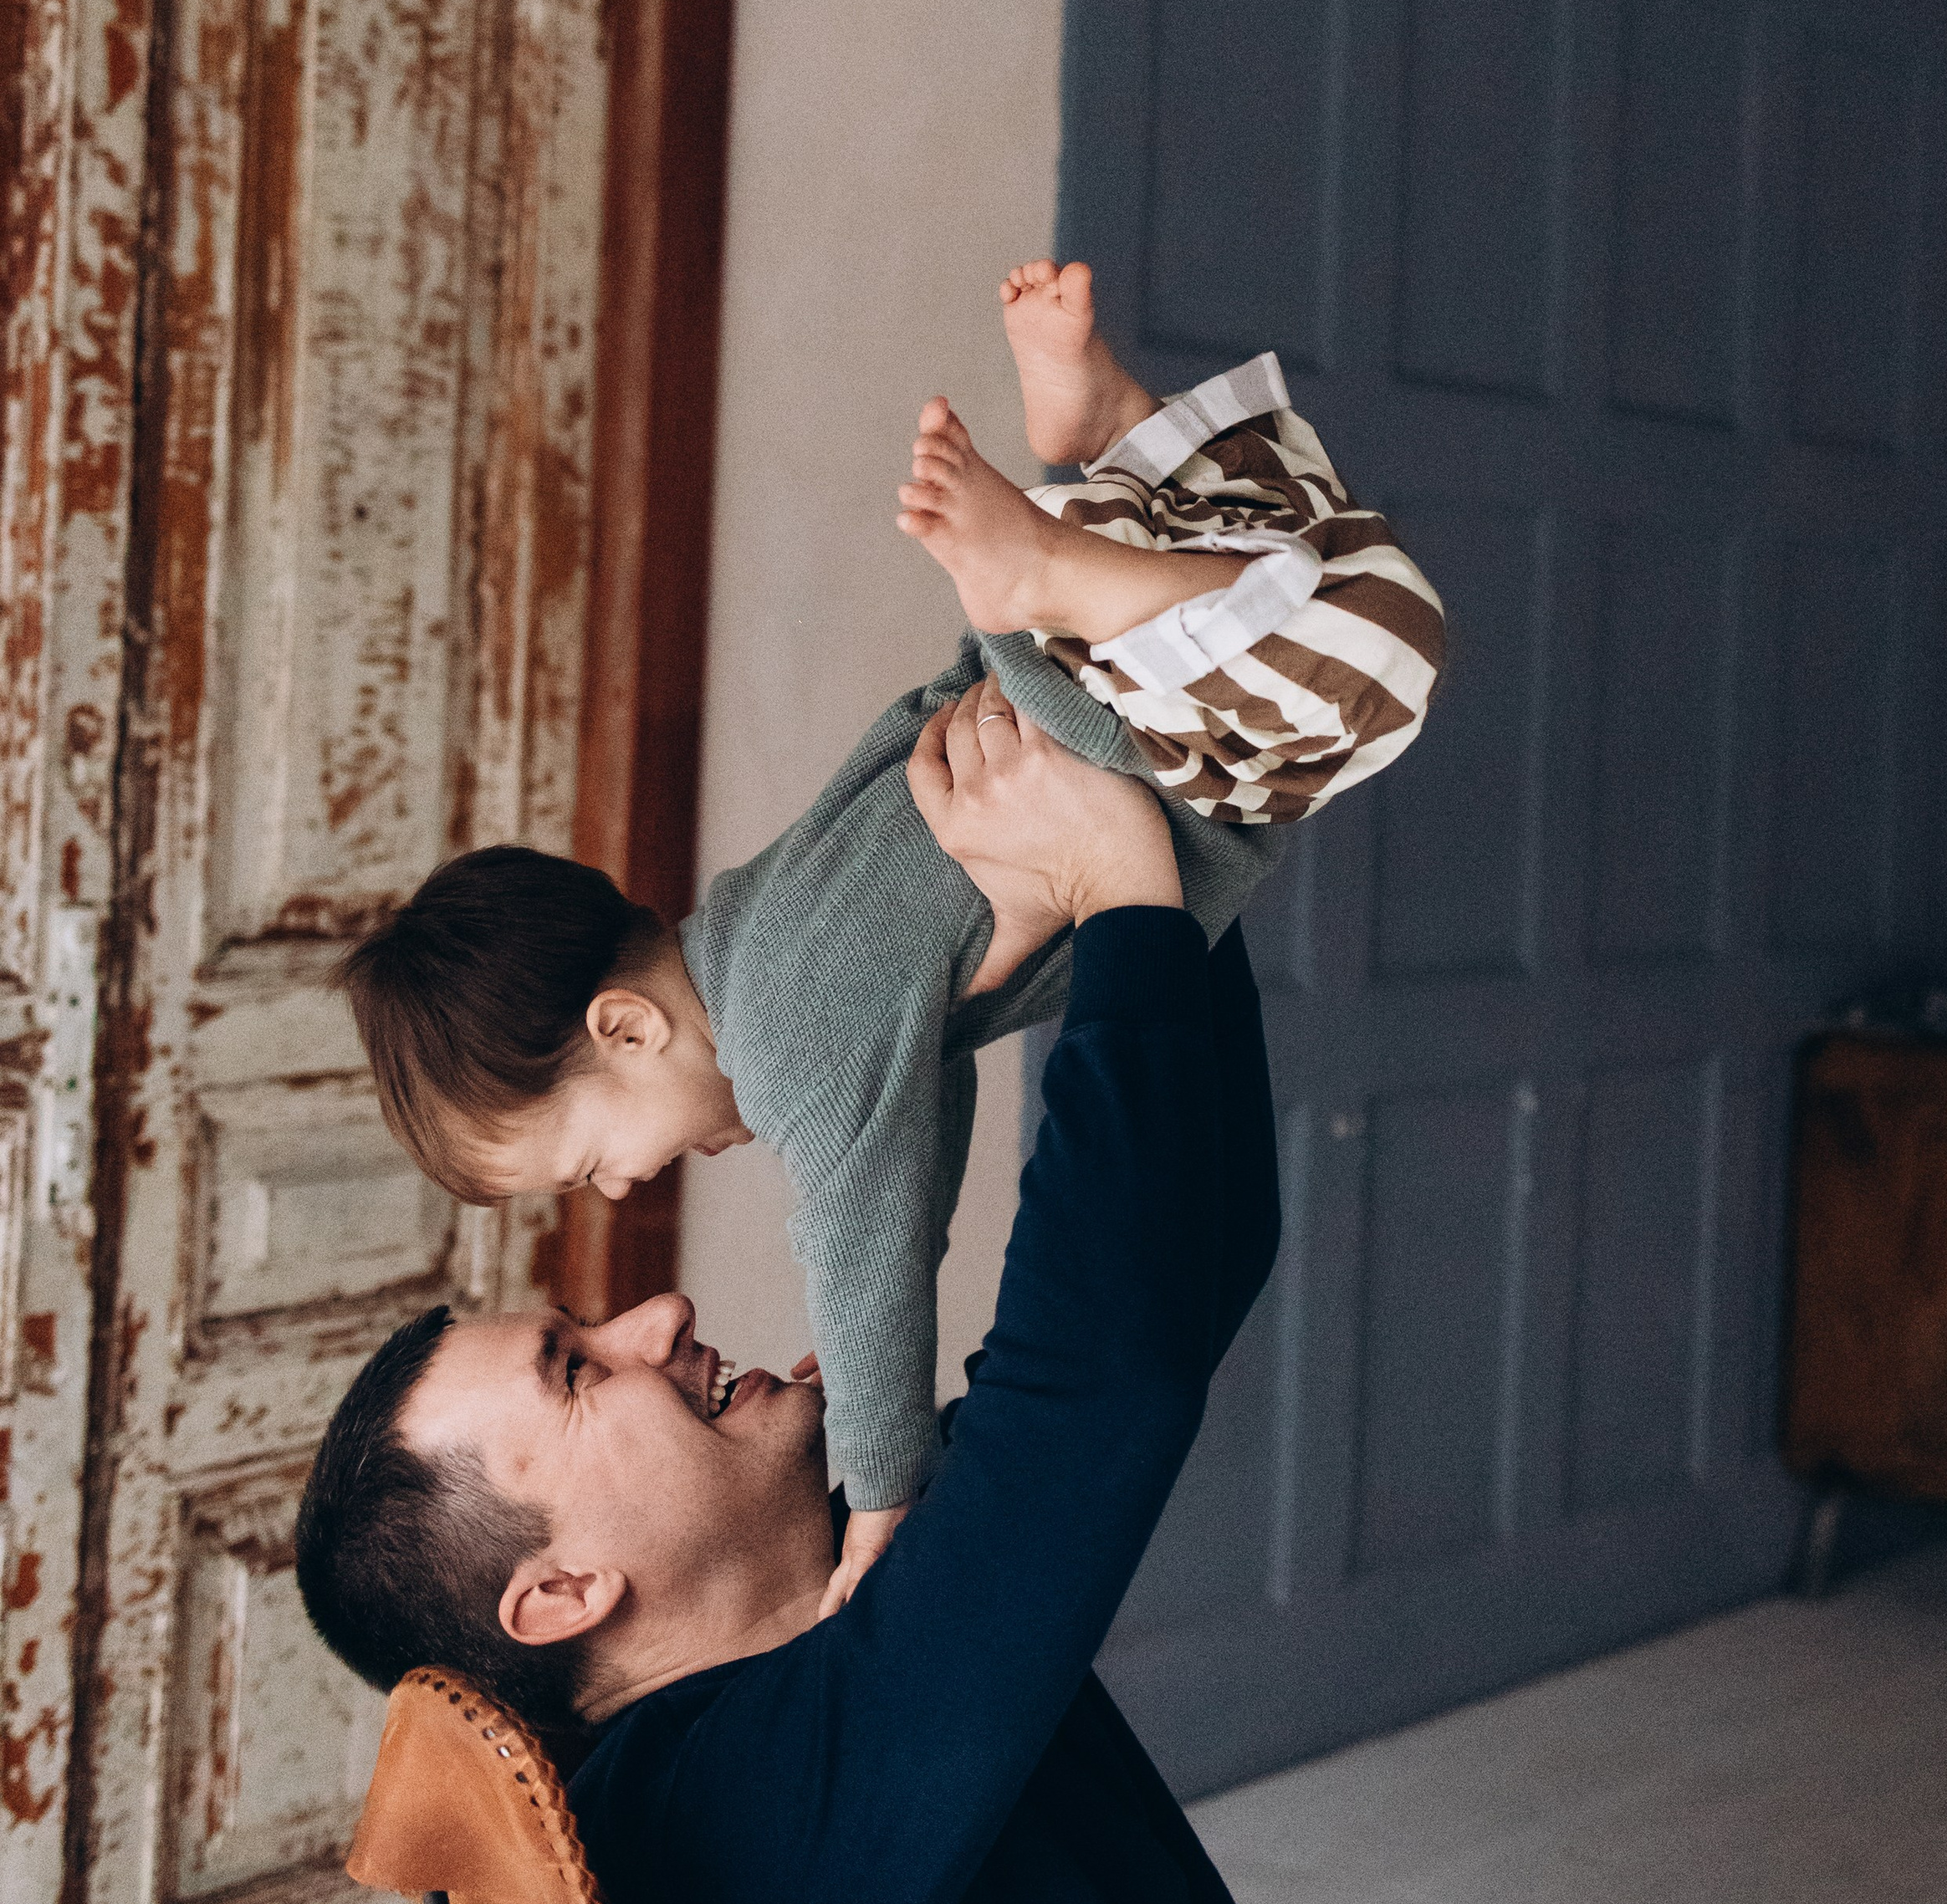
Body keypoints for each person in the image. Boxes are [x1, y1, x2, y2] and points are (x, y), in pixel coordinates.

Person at [296, 697, 1947, 1904]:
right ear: (555, 1596)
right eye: (571, 1365)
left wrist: (1143, 883)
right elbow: (1101, 1356)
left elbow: (1177, 1258)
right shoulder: (743, 1811)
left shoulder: (823, 1658)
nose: (653, 1310)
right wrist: (1122, 885)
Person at [338, 261, 1442, 1610]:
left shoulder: (791, 1037)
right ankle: (1094, 430)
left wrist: (879, 1492)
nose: (623, 1188)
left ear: (624, 1029)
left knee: (1385, 657)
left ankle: (1054, 562)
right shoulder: (756, 915)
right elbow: (921, 1086)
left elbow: (869, 1240)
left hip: (1137, 723)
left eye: (587, 1161)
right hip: (1110, 643)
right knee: (1279, 527)